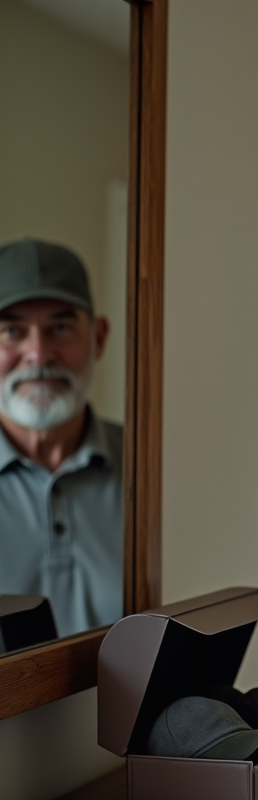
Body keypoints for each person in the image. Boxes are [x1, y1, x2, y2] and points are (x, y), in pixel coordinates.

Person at [0, 237, 123, 638]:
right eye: (12, 331)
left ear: (99, 337)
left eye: (61, 327)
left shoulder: (154, 469)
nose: (38, 353)